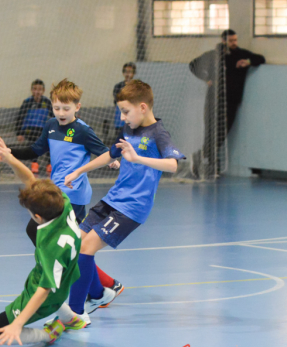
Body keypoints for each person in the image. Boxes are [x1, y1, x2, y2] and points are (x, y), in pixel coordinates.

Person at [58, 80, 185, 325]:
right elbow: (110, 154)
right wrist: (79, 171)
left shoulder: (158, 133)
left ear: (143, 107)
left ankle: (76, 313)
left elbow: (172, 165)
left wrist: (138, 158)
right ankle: (100, 294)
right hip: (112, 199)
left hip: (132, 208)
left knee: (86, 248)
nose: (122, 117)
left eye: (125, 111)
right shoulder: (128, 129)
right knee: (74, 244)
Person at [8, 79, 124, 319]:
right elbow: (35, 150)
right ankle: (104, 286)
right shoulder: (51, 125)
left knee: (45, 234)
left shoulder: (82, 130)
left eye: (66, 108)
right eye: (56, 108)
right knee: (62, 243)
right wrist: (11, 153)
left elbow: (102, 150)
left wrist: (112, 160)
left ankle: (100, 287)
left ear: (77, 107)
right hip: (56, 192)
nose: (60, 113)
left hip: (74, 197)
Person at [0, 136, 86, 346]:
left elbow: (43, 291)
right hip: (66, 276)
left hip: (48, 297)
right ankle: (71, 319)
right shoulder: (62, 202)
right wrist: (11, 160)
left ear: (38, 216)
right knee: (31, 230)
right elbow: (30, 179)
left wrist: (18, 323)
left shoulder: (51, 247)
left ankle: (50, 334)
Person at [189, 29, 265, 178]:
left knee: (222, 133)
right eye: (231, 41)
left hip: (232, 100)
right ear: (224, 41)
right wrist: (206, 78)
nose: (234, 43)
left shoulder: (241, 54)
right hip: (214, 99)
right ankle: (210, 162)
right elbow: (193, 64)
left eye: (235, 40)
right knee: (210, 132)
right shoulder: (214, 55)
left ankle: (201, 155)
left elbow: (261, 58)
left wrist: (248, 62)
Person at [15, 79, 53, 174]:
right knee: (35, 138)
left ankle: (50, 164)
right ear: (32, 90)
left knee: (50, 138)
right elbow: (20, 118)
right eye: (35, 89)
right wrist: (19, 133)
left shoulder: (47, 102)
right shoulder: (27, 102)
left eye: (40, 89)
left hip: (42, 128)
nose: (37, 92)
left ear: (43, 91)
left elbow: (53, 116)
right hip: (29, 129)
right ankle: (34, 163)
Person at [112, 63, 136, 144]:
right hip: (120, 117)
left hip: (133, 117)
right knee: (120, 139)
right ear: (123, 73)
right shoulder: (118, 86)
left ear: (133, 73)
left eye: (130, 72)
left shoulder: (136, 87)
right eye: (126, 72)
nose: (128, 74)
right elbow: (116, 101)